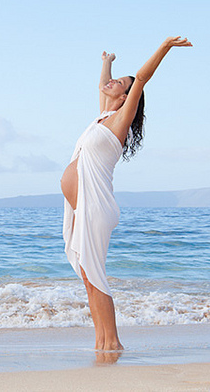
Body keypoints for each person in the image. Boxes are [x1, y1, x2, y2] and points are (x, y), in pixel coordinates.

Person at [61, 36, 193, 351]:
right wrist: (108, 61)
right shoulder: (102, 116)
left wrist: (163, 48)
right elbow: (102, 86)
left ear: (127, 95)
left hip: (95, 206)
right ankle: (101, 343)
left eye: (118, 83)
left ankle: (113, 344)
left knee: (96, 278)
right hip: (84, 207)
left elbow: (142, 79)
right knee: (89, 281)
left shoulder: (120, 120)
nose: (110, 84)